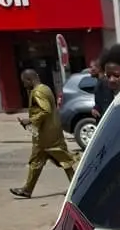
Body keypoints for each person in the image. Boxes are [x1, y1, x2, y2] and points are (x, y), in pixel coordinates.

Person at [10, 70, 76, 200]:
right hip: (48, 132)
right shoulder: (46, 88)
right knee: (37, 161)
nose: (24, 85)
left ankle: (77, 185)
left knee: (64, 159)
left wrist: (29, 120)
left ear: (29, 80)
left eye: (24, 82)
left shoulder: (38, 92)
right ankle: (27, 190)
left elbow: (45, 110)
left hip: (46, 136)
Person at [90, 53, 115, 121]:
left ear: (99, 68)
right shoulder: (100, 81)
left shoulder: (104, 82)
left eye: (92, 67)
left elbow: (107, 102)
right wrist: (96, 108)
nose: (90, 70)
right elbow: (100, 100)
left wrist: (104, 119)